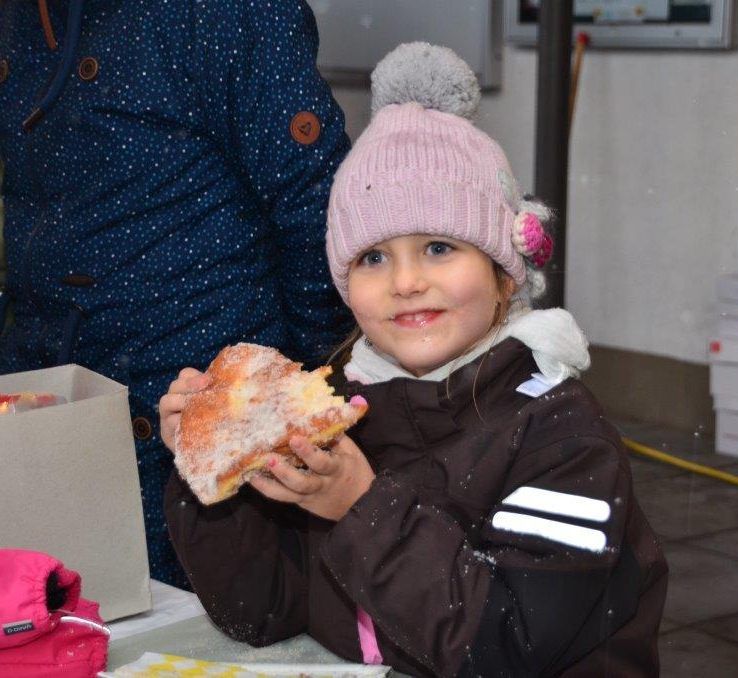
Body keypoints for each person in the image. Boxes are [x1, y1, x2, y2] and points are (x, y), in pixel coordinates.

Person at [160, 43, 668, 676]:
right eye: (372, 257)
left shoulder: (561, 441)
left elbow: (510, 648)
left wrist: (358, 506)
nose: (404, 282)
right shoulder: (341, 409)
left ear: (503, 272)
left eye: (437, 247)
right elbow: (259, 613)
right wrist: (209, 469)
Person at [0, 0, 352, 588]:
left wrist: (298, 388)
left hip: (210, 432)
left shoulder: (228, 12)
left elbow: (318, 209)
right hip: (50, 415)